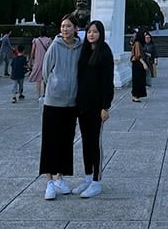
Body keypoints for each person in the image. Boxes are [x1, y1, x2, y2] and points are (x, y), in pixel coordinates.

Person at [40, 14, 83, 200]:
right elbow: (45, 72)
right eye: (62, 26)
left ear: (75, 28)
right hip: (54, 102)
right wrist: (56, 87)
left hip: (71, 102)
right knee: (50, 141)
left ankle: (60, 178)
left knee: (66, 141)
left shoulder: (81, 48)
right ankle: (49, 182)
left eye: (68, 26)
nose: (64, 29)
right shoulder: (54, 47)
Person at [73, 19, 114, 199]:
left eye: (95, 32)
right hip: (82, 104)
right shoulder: (83, 51)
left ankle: (97, 180)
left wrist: (105, 106)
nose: (92, 35)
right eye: (89, 31)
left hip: (97, 106)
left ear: (101, 33)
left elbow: (108, 82)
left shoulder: (105, 52)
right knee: (86, 142)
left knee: (95, 143)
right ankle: (88, 176)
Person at [29, 27, 52, 104]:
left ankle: (39, 96)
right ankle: (45, 95)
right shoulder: (49, 40)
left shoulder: (36, 40)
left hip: (37, 61)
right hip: (46, 61)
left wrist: (30, 61)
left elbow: (32, 52)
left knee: (38, 80)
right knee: (45, 79)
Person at [130, 31, 148, 102]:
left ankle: (136, 95)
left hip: (137, 63)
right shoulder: (137, 43)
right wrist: (144, 63)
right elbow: (138, 55)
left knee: (138, 79)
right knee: (138, 80)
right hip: (138, 63)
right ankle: (135, 95)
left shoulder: (138, 43)